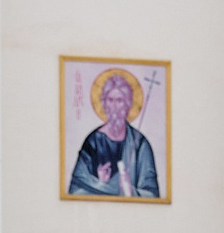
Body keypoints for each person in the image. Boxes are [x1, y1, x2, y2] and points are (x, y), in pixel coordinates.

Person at [68, 70, 161, 198]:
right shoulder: (92, 142)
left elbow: (153, 195)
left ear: (128, 105)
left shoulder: (140, 144)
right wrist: (101, 184)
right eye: (110, 100)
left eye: (119, 101)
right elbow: (75, 191)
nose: (114, 107)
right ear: (104, 104)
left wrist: (131, 190)